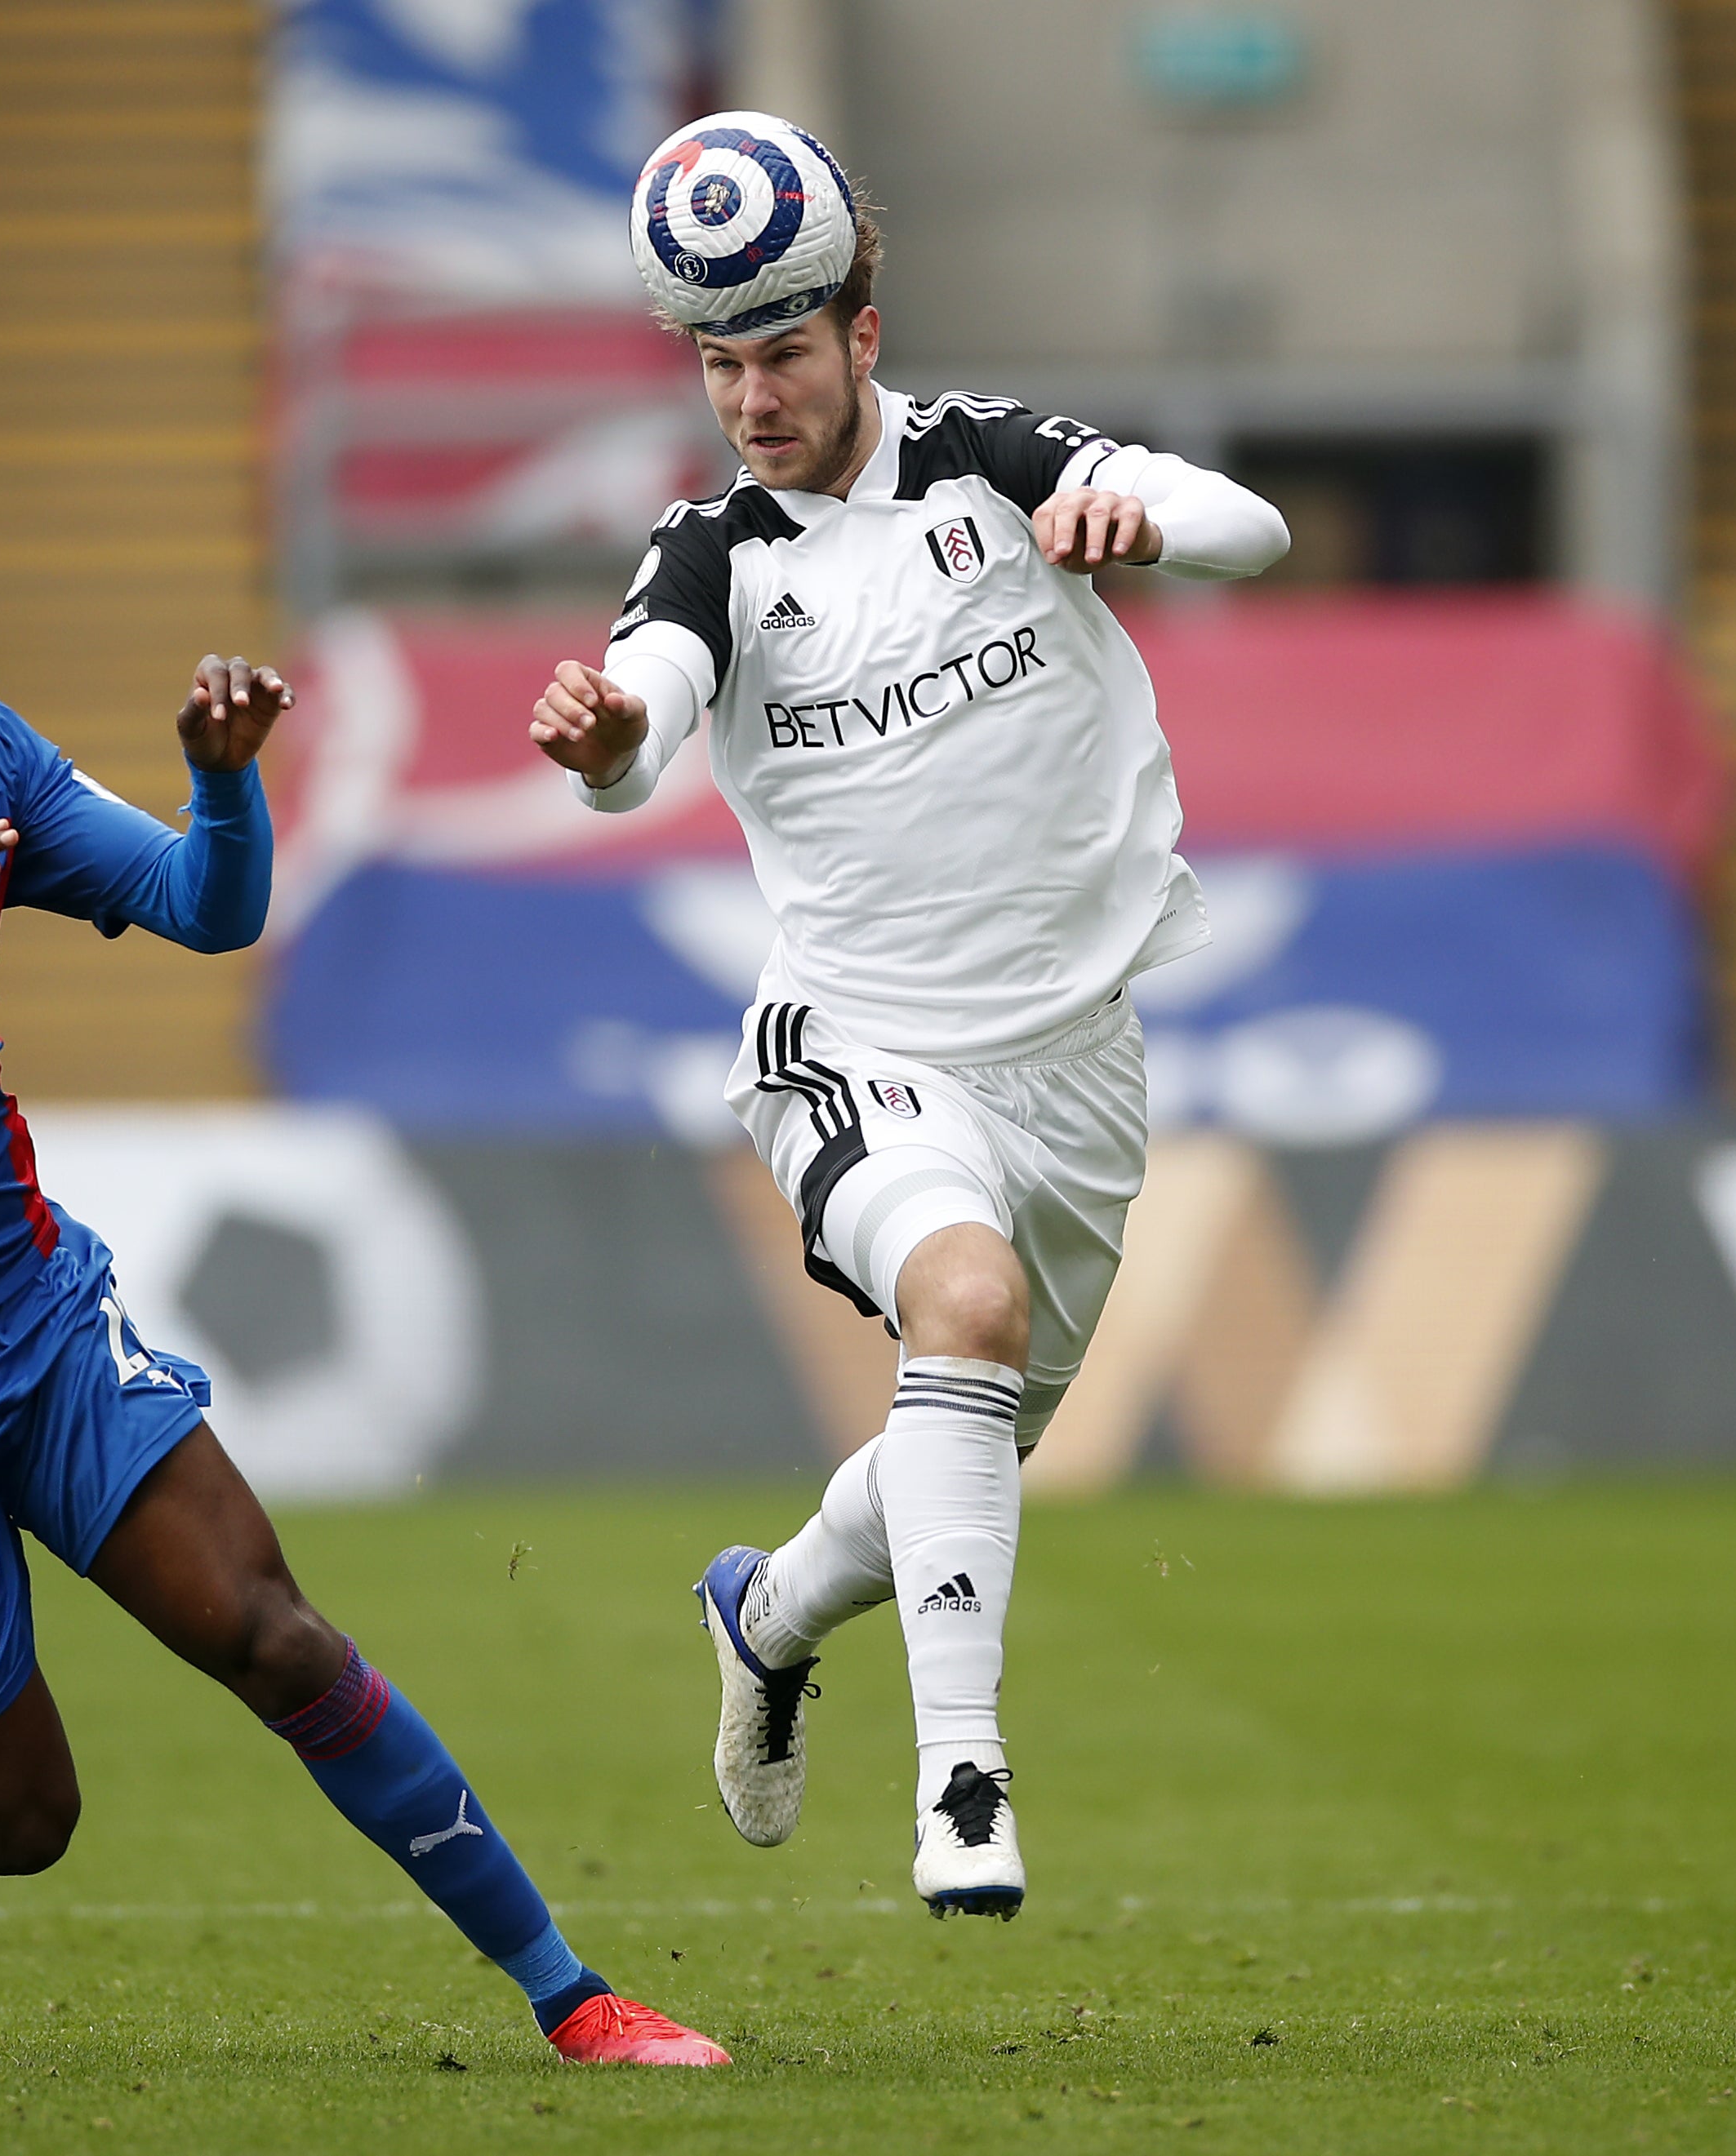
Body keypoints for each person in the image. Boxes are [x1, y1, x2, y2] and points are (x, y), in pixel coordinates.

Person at [0, 448, 726, 2067]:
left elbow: (200, 906)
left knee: (276, 1635)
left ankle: (571, 1997)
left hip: (29, 1319)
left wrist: (221, 782)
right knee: (15, 1819)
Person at [527, 122, 1290, 1917]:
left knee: (967, 1438)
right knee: (956, 1301)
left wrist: (1134, 513)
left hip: (1075, 1068)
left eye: (781, 352)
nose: (750, 398)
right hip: (851, 1042)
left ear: (863, 334)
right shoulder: (712, 552)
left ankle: (768, 1611)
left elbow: (1245, 527)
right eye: (719, 363)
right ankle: (963, 1783)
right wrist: (609, 737)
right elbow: (643, 708)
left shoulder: (991, 464)